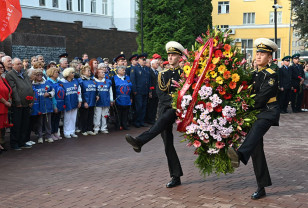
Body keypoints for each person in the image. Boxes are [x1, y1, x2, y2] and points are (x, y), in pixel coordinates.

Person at [125, 41, 185, 188]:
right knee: (167, 144)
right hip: (164, 108)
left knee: (164, 120)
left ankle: (140, 141)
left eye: (173, 55)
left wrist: (176, 102)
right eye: (169, 55)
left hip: (177, 109)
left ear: (179, 57)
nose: (170, 58)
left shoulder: (184, 74)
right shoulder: (162, 74)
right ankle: (175, 176)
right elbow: (161, 94)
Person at [227, 38, 280, 200]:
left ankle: (240, 155)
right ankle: (261, 186)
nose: (258, 56)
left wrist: (243, 106)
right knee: (257, 150)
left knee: (256, 131)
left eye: (262, 54)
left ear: (269, 58)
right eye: (257, 53)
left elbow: (261, 98)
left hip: (268, 112)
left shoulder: (272, 74)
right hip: (254, 113)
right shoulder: (253, 73)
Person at [6, 58, 34, 150]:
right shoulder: (10, 75)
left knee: (25, 124)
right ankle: (14, 143)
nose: (20, 65)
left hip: (27, 103)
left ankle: (22, 142)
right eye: (18, 64)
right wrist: (18, 102)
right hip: (18, 104)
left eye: (20, 64)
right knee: (17, 124)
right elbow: (13, 90)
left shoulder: (24, 73)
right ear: (13, 65)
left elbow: (30, 86)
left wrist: (31, 101)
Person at [31, 69, 55, 144]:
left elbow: (53, 91)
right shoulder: (33, 84)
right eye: (37, 75)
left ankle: (48, 136)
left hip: (47, 105)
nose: (39, 76)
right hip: (38, 106)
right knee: (39, 122)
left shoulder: (47, 82)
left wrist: (49, 94)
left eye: (40, 75)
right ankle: (40, 136)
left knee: (48, 122)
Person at [130, 53, 151, 128]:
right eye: (143, 59)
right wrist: (134, 90)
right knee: (139, 106)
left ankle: (141, 121)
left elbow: (148, 80)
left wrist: (150, 91)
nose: (144, 61)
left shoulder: (147, 69)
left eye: (145, 60)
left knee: (144, 107)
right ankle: (136, 121)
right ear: (138, 60)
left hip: (145, 90)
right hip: (138, 91)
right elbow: (133, 80)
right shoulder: (135, 68)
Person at [60, 68, 81, 138]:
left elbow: (79, 91)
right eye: (72, 73)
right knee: (67, 118)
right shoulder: (62, 82)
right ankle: (66, 132)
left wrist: (79, 100)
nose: (73, 74)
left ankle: (72, 131)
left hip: (74, 101)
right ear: (68, 74)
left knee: (73, 117)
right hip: (67, 102)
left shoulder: (76, 81)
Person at [46, 67, 64, 140]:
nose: (57, 73)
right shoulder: (48, 82)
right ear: (51, 74)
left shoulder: (58, 82)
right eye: (56, 72)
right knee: (52, 119)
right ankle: (51, 133)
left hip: (60, 103)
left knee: (57, 118)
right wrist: (54, 105)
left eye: (57, 72)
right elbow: (51, 95)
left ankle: (55, 132)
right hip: (53, 103)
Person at [93, 67, 113, 134]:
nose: (103, 73)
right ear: (97, 74)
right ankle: (96, 128)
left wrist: (111, 99)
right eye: (102, 72)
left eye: (104, 72)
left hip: (106, 100)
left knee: (105, 115)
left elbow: (110, 91)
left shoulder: (108, 81)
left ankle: (103, 128)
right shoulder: (94, 81)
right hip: (98, 102)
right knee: (97, 115)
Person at [78, 65, 97, 136]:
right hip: (85, 101)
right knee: (84, 116)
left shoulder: (92, 80)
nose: (89, 72)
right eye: (88, 71)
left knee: (90, 116)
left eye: (90, 70)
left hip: (92, 100)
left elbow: (95, 89)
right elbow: (81, 92)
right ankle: (84, 129)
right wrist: (84, 101)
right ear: (83, 72)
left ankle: (89, 129)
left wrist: (97, 95)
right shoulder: (80, 80)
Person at [111, 66, 132, 130]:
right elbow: (113, 89)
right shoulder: (114, 78)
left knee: (126, 112)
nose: (124, 71)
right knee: (118, 112)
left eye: (124, 70)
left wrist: (131, 97)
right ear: (118, 71)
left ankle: (124, 124)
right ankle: (118, 125)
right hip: (118, 98)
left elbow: (131, 88)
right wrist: (113, 98)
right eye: (123, 70)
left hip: (127, 98)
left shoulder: (127, 78)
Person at [0, 61, 12, 153]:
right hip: (1, 105)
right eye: (0, 67)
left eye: (2, 67)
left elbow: (9, 90)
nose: (2, 69)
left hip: (5, 106)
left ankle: (2, 143)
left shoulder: (3, 79)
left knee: (2, 127)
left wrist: (9, 100)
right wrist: (5, 101)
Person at [145, 59, 159, 124]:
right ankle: (150, 119)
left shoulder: (157, 72)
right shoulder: (149, 72)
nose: (157, 65)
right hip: (152, 90)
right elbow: (150, 82)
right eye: (156, 64)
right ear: (152, 64)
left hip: (157, 91)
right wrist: (150, 90)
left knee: (155, 106)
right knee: (151, 106)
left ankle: (153, 118)